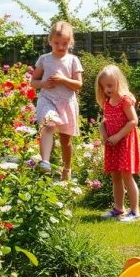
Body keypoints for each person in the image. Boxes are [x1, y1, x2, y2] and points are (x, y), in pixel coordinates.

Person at [31, 21, 82, 181]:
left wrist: (62, 79)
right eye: (57, 43)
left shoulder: (73, 60)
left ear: (71, 43)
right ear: (50, 41)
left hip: (66, 103)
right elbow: (33, 82)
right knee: (49, 124)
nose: (60, 47)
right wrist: (43, 84)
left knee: (65, 140)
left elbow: (78, 84)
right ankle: (45, 162)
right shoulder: (44, 60)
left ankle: (67, 169)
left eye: (65, 44)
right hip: (48, 99)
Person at [96, 64, 140, 222]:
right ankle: (118, 208)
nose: (107, 89)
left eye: (109, 85)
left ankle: (135, 211)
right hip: (112, 144)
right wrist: (104, 134)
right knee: (115, 176)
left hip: (124, 142)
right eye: (103, 87)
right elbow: (104, 122)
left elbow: (133, 121)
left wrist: (118, 136)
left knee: (127, 176)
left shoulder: (125, 100)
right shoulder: (107, 102)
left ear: (118, 82)